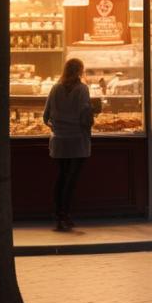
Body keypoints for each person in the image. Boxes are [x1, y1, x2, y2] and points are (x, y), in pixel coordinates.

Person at [42, 57, 97, 232]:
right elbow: (85, 117)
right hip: (77, 140)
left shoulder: (55, 88)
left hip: (59, 140)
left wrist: (58, 127)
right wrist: (93, 114)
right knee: (71, 180)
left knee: (61, 177)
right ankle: (64, 215)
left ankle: (58, 215)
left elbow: (45, 116)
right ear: (80, 71)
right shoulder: (82, 89)